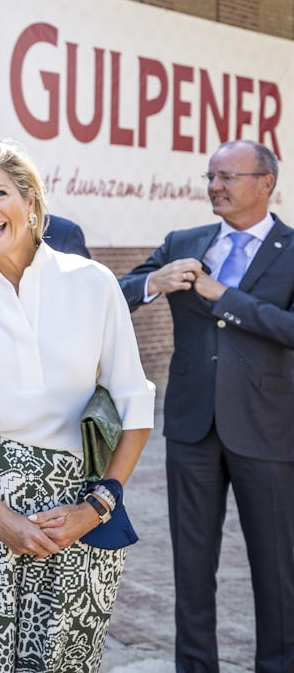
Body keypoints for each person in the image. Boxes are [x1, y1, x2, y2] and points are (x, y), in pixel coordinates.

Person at [0, 140, 154, 671]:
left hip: (76, 515)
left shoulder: (93, 284)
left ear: (31, 201)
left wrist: (97, 508)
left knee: (63, 663)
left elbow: (134, 406)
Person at [118, 140, 294, 673]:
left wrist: (226, 298)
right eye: (210, 177)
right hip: (192, 429)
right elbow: (113, 294)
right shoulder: (184, 242)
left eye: (228, 177)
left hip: (268, 428)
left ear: (265, 182)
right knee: (191, 567)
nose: (214, 186)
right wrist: (153, 281)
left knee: (276, 569)